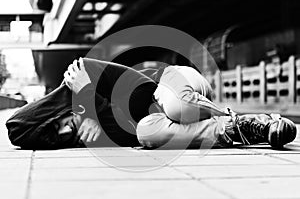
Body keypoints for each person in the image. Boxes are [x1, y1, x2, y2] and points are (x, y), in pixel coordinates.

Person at [5, 57, 297, 150]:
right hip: (165, 120)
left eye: (66, 121)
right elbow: (17, 127)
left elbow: (142, 88)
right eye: (63, 135)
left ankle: (247, 119)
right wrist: (90, 114)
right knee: (147, 132)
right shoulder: (99, 137)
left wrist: (84, 102)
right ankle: (240, 131)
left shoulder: (87, 86)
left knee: (176, 108)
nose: (71, 129)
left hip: (171, 84)